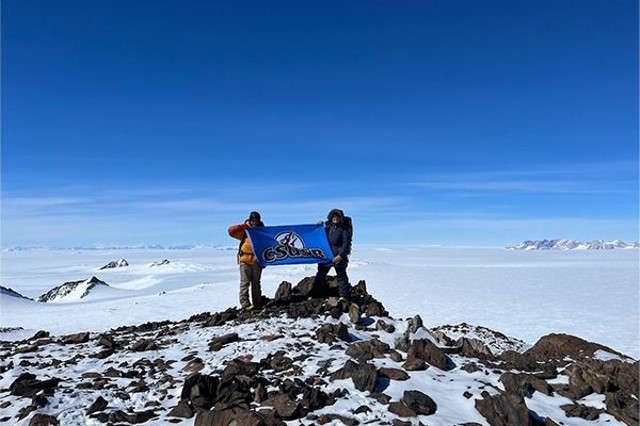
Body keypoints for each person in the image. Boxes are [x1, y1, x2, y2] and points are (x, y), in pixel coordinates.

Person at [311, 208, 352, 301]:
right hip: (327, 256)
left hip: (338, 257)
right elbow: (321, 234)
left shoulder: (344, 229)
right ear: (331, 218)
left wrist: (340, 255)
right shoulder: (329, 227)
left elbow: (346, 243)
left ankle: (343, 296)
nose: (335, 219)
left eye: (337, 217)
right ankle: (315, 293)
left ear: (340, 218)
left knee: (341, 276)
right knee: (320, 274)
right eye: (334, 217)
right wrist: (319, 226)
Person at [228, 211, 265, 312]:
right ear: (250, 220)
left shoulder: (262, 232)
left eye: (256, 220)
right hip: (245, 261)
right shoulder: (245, 231)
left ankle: (258, 302)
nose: (254, 222)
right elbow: (231, 231)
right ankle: (245, 304)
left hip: (257, 262)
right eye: (252, 220)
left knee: (256, 283)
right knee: (245, 283)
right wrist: (243, 226)